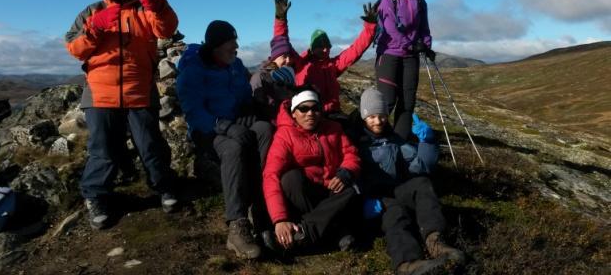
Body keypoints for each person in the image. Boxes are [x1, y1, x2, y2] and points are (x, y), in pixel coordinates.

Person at [65, 0, 180, 230]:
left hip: (140, 90)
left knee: (150, 145)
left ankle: (165, 188)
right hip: (100, 94)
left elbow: (167, 28)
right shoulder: (91, 13)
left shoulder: (144, 8)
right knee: (102, 150)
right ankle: (96, 197)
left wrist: (160, 6)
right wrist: (95, 27)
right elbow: (73, 47)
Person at [176, 20, 272, 259]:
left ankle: (260, 204)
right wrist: (224, 126)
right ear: (217, 45)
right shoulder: (194, 69)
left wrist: (251, 106)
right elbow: (193, 111)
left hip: (235, 120)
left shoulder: (235, 65)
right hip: (208, 130)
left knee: (265, 130)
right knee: (233, 148)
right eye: (232, 42)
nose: (236, 47)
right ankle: (237, 225)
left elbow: (242, 94)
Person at [354, 88, 464, 274]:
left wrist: (427, 143)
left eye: (382, 116)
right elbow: (347, 172)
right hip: (373, 202)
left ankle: (435, 242)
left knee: (421, 183)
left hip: (395, 191)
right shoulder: (353, 141)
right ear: (364, 116)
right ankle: (408, 264)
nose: (378, 121)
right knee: (395, 212)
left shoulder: (393, 140)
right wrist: (360, 201)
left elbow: (420, 167)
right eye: (372, 116)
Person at [263, 86, 361, 252]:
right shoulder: (284, 135)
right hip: (305, 194)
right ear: (293, 113)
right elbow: (271, 175)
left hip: (332, 190)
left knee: (350, 189)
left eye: (315, 108)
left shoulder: (333, 128)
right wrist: (279, 219)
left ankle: (305, 233)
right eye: (303, 109)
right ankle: (333, 231)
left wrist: (345, 172)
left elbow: (351, 155)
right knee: (290, 178)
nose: (310, 113)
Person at [272, 0, 379, 117]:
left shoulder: (333, 65)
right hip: (310, 117)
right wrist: (280, 19)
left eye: (327, 47)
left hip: (334, 115)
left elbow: (356, 49)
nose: (325, 50)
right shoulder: (300, 63)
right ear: (312, 48)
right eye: (320, 47)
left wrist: (370, 27)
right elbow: (282, 42)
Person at [374, 0, 435, 141]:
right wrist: (410, 44)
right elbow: (390, 28)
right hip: (389, 54)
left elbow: (424, 27)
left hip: (411, 57)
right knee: (387, 100)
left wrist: (426, 45)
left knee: (408, 102)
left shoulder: (419, 0)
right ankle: (372, 137)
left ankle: (400, 140)